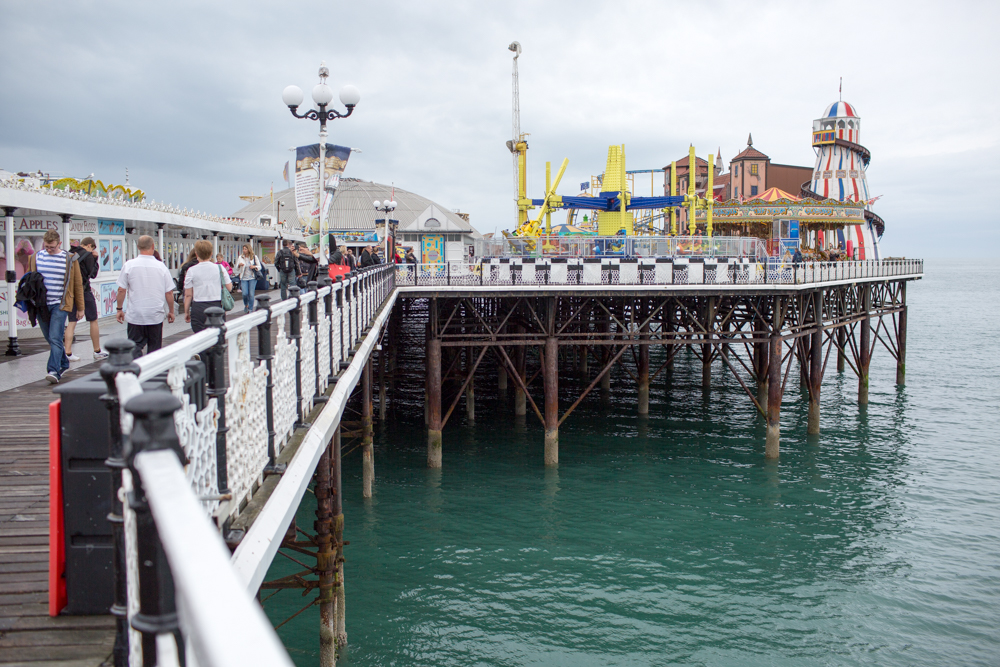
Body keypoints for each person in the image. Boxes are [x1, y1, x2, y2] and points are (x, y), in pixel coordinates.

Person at [28, 230, 85, 383]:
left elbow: (77, 284)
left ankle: (54, 370)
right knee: (50, 338)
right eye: (46, 246)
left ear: (59, 244)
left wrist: (80, 308)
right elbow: (30, 281)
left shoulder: (70, 259)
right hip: (41, 305)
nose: (49, 250)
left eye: (52, 247)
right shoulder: (35, 258)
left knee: (55, 337)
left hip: (60, 304)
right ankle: (64, 362)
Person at [116, 235, 175, 357]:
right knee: (154, 346)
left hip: (135, 314)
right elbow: (169, 292)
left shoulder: (129, 265)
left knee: (134, 345)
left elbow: (121, 290)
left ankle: (137, 371)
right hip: (155, 314)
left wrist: (119, 309)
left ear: (138, 247)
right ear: (153, 246)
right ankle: (152, 372)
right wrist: (171, 311)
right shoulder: (161, 267)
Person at [64, 236, 106, 362]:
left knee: (71, 322)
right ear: (89, 246)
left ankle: (68, 352)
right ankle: (97, 350)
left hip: (71, 292)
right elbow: (92, 274)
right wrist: (95, 258)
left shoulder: (70, 253)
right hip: (84, 291)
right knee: (93, 320)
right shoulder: (88, 255)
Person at [185, 240, 232, 332]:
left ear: (196, 254)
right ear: (211, 254)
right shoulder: (219, 268)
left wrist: (187, 312)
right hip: (217, 307)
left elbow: (188, 295)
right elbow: (229, 287)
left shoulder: (191, 270)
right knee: (218, 337)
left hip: (198, 307)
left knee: (200, 338)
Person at [234, 244, 261, 312]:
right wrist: (239, 265)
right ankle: (246, 304)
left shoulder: (254, 257)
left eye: (245, 249)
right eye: (243, 249)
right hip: (244, 278)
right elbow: (236, 268)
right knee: (244, 293)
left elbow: (259, 266)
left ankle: (250, 309)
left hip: (252, 277)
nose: (244, 250)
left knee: (251, 294)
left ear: (249, 249)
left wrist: (254, 267)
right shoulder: (240, 257)